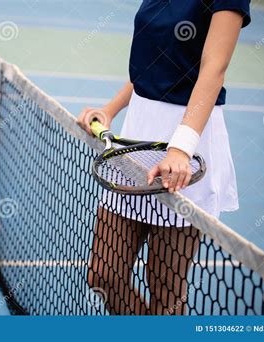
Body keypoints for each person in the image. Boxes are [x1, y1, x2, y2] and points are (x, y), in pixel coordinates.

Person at [78, 1, 251, 315]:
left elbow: (214, 69)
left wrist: (180, 148)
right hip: (134, 144)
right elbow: (150, 64)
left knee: (164, 291)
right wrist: (109, 109)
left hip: (187, 145)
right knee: (103, 274)